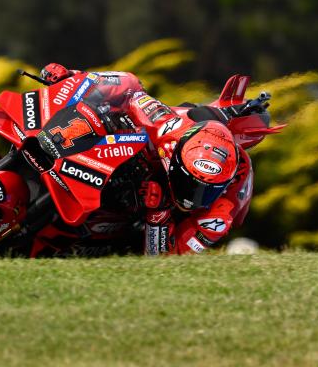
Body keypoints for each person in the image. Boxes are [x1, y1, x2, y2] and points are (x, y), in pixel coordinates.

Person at [38, 62, 258, 256]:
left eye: (205, 191)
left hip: (147, 225)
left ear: (224, 184)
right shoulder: (167, 127)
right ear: (176, 160)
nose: (192, 197)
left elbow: (167, 260)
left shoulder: (219, 214)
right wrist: (72, 77)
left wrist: (159, 211)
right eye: (189, 184)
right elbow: (131, 88)